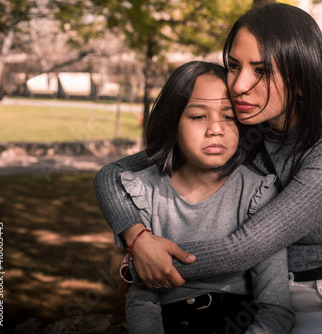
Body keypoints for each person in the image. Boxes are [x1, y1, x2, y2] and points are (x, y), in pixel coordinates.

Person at [94, 3, 322, 334]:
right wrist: (136, 236)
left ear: (300, 79)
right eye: (233, 66)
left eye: (261, 70)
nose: (239, 85)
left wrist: (133, 266)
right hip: (291, 304)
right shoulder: (245, 131)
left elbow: (245, 248)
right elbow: (111, 175)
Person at [98, 61, 294, 334]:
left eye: (228, 116)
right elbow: (142, 299)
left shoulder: (256, 194)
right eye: (199, 116)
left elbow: (275, 308)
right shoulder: (144, 192)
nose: (216, 129)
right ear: (171, 125)